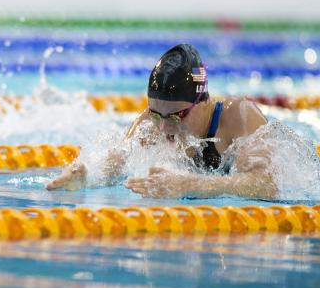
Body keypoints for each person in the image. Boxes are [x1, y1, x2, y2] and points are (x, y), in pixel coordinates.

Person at [45, 43, 277, 199]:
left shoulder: (238, 116)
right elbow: (120, 158)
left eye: (177, 116)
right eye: (156, 114)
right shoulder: (150, 122)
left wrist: (193, 185)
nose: (164, 126)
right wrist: (87, 173)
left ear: (203, 100)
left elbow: (268, 185)